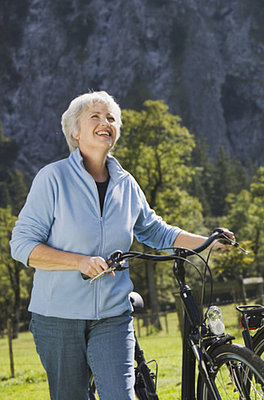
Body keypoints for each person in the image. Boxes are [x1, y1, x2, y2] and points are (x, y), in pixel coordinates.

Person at [10, 91, 233, 400]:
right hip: (58, 317)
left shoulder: (125, 183)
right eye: (95, 117)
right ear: (75, 131)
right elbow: (22, 245)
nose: (106, 123)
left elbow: (156, 231)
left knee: (120, 395)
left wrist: (208, 243)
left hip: (112, 315)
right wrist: (79, 262)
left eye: (111, 118)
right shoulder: (53, 179)